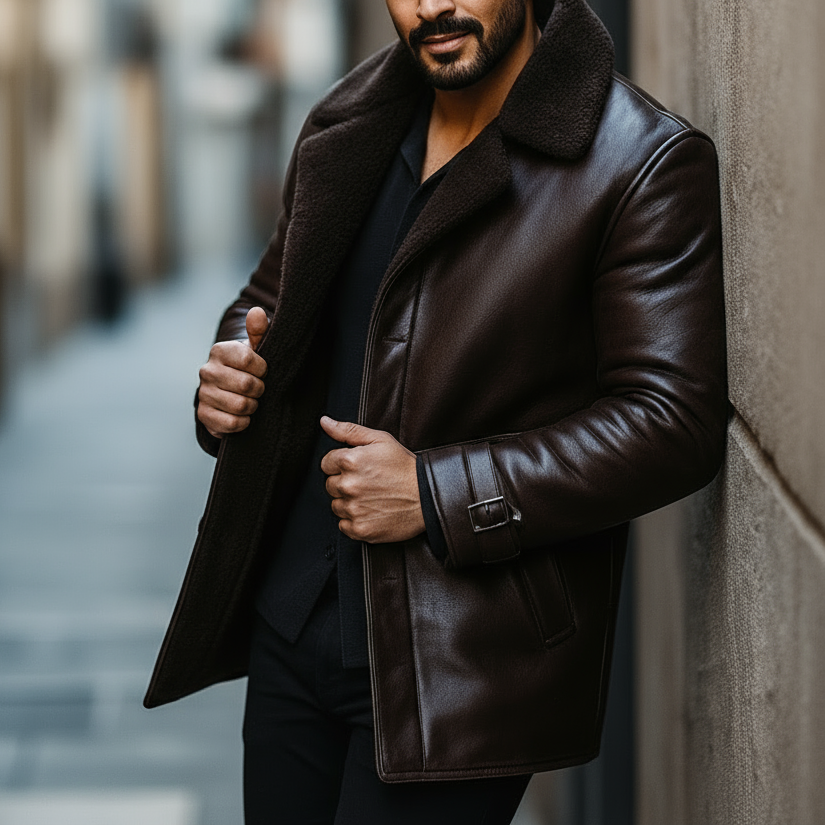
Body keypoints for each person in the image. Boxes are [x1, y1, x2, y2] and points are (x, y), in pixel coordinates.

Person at [145, 0, 728, 823]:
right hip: (294, 622)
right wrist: (230, 373)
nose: (433, 5)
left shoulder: (640, 160)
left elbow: (675, 422)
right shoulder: (348, 123)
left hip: (460, 658)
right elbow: (265, 305)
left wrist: (433, 492)